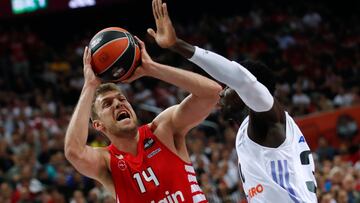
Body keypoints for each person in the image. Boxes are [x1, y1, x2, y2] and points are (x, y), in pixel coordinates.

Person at [147, 0, 318, 202]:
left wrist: (178, 46)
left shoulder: (268, 120)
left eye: (228, 87)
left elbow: (242, 79)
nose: (222, 93)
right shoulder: (257, 129)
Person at [64, 36, 222, 202]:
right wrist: (89, 85)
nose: (118, 104)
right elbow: (73, 151)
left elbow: (211, 94)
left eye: (122, 99)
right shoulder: (106, 162)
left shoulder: (162, 130)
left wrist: (152, 68)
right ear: (98, 125)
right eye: (107, 104)